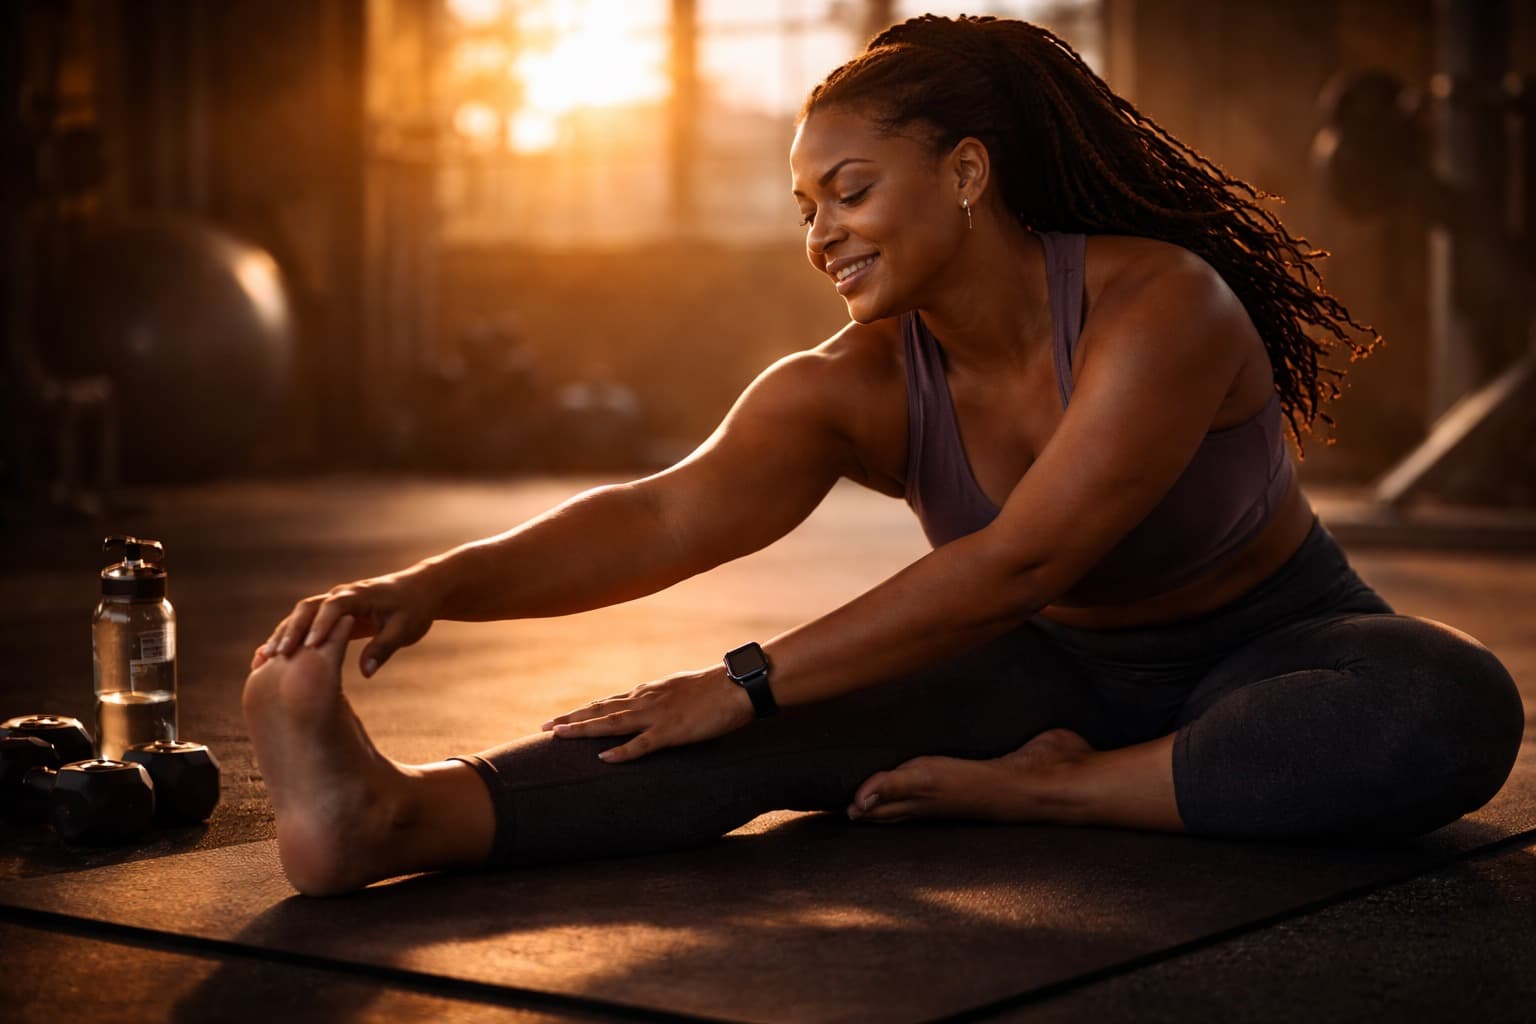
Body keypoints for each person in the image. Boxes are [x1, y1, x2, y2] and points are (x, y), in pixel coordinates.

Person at [244, 14, 1525, 897]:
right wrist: (428, 586)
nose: (822, 235)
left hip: (1278, 643)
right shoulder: (848, 384)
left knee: (1445, 703)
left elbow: (1025, 554)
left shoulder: (1161, 305)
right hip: (1041, 672)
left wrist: (748, 671)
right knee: (716, 730)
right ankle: (392, 815)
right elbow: (662, 517)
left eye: (849, 191)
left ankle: (1051, 796)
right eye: (806, 209)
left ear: (968, 172)